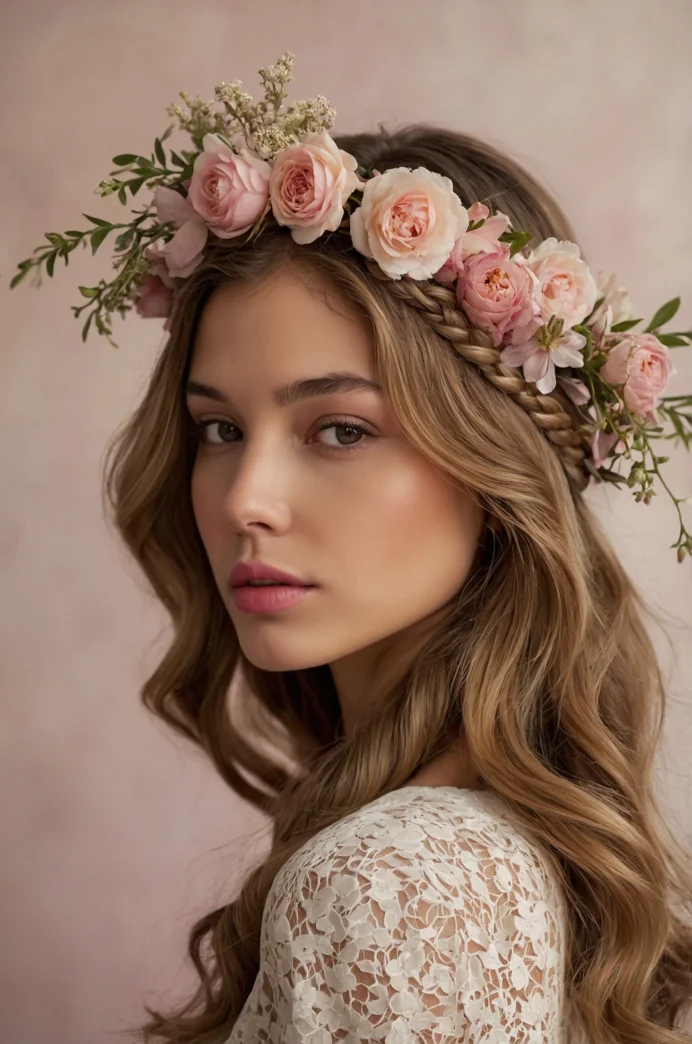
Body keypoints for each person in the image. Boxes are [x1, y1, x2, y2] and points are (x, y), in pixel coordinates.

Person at [12, 53, 692, 1044]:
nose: (246, 500)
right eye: (217, 430)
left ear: (494, 476)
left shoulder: (381, 887)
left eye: (338, 430)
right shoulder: (499, 851)